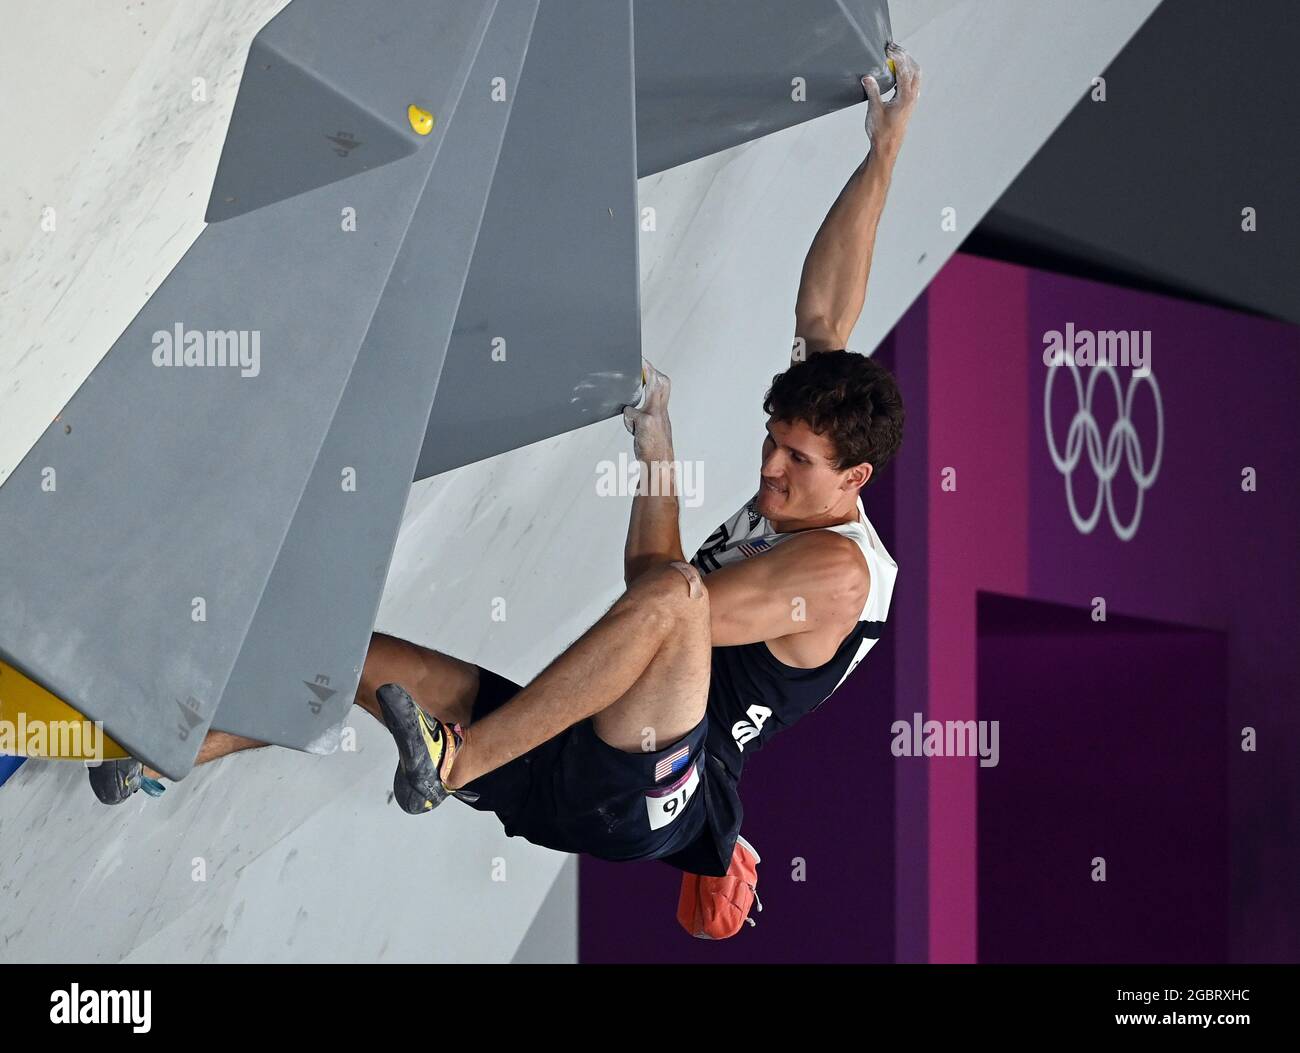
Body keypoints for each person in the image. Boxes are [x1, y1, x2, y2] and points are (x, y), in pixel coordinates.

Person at [91, 43, 921, 881]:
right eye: (771, 439)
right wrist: (882, 150)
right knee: (350, 655)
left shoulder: (838, 575)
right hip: (581, 747)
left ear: (854, 481)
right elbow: (825, 316)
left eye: (796, 461)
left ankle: (455, 761)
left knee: (676, 600)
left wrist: (659, 459)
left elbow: (674, 604)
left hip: (650, 791)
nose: (771, 467)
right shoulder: (815, 466)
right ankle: (170, 751)